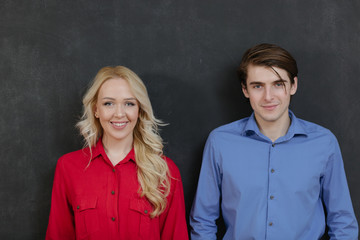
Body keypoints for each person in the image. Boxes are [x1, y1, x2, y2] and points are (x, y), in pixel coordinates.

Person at [190, 43, 358, 239]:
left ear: (293, 85)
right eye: (258, 86)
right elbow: (203, 221)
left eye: (278, 84)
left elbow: (342, 222)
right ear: (245, 90)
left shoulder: (324, 143)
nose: (268, 97)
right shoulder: (220, 142)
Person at [46, 66, 188, 240]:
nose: (119, 114)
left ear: (139, 110)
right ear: (96, 109)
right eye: (108, 103)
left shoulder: (165, 171)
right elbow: (58, 235)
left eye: (129, 103)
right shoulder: (68, 167)